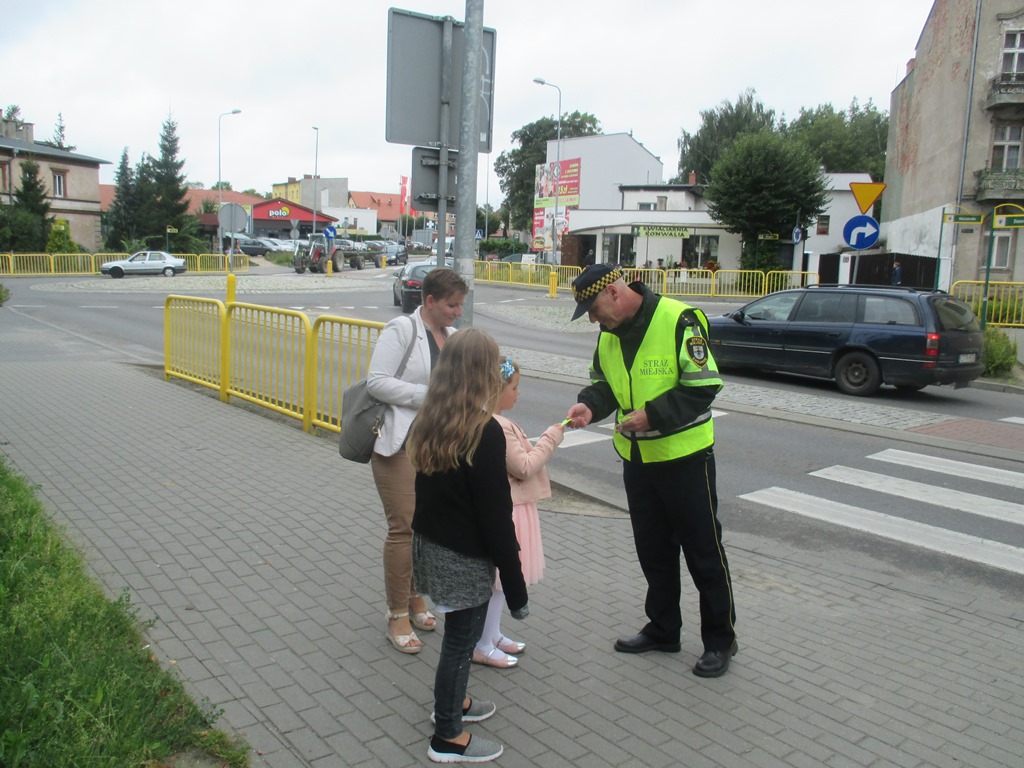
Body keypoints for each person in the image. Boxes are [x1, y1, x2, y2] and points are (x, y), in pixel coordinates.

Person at [564, 264, 738, 678]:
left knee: (704, 552)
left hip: (685, 458)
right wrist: (589, 404)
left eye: (593, 309)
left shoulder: (679, 319)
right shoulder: (608, 334)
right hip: (638, 460)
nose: (592, 319)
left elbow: (704, 387)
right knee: (653, 551)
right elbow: (606, 385)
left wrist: (653, 415)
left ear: (614, 293)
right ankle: (663, 629)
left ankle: (720, 639)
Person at [409, 329, 528, 764]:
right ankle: (447, 736)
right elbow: (496, 515)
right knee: (461, 643)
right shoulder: (484, 430)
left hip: (432, 545)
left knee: (458, 638)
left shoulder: (433, 417)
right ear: (480, 373)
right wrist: (515, 585)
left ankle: (454, 702)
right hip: (464, 556)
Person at [365, 267, 468, 654]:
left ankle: (414, 597)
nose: (457, 312)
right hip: (398, 445)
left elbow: (466, 379)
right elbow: (376, 381)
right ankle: (396, 614)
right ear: (430, 301)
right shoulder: (402, 330)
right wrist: (425, 395)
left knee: (423, 528)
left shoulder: (453, 337)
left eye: (460, 305)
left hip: (435, 447)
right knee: (403, 528)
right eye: (452, 305)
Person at [473, 357, 564, 669]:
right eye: (514, 387)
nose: (518, 393)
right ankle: (482, 643)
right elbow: (523, 467)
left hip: (514, 506)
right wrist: (551, 438)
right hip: (512, 509)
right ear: (496, 391)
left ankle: (492, 633)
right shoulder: (498, 426)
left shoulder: (492, 421)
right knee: (500, 581)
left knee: (500, 582)